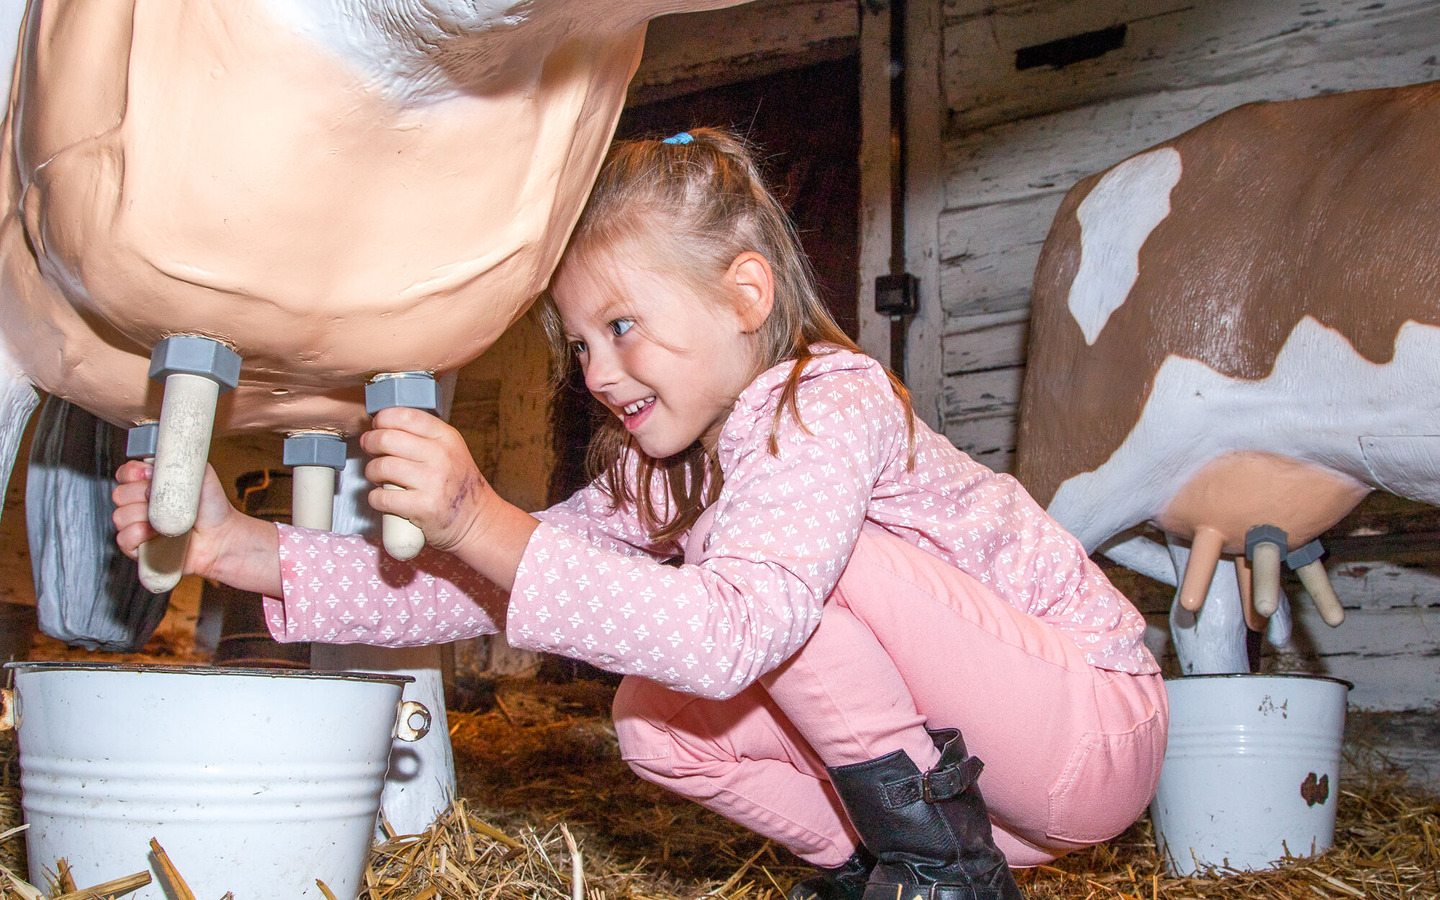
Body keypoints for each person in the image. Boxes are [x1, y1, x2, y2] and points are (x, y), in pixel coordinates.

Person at [114, 128, 1166, 900]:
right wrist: (237, 547)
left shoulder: (825, 400)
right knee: (652, 720)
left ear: (746, 294)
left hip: (1092, 728)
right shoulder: (657, 475)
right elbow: (493, 581)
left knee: (787, 585)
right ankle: (880, 868)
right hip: (994, 799)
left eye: (622, 325)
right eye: (579, 345)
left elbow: (737, 632)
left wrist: (480, 511)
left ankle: (942, 880)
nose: (599, 372)